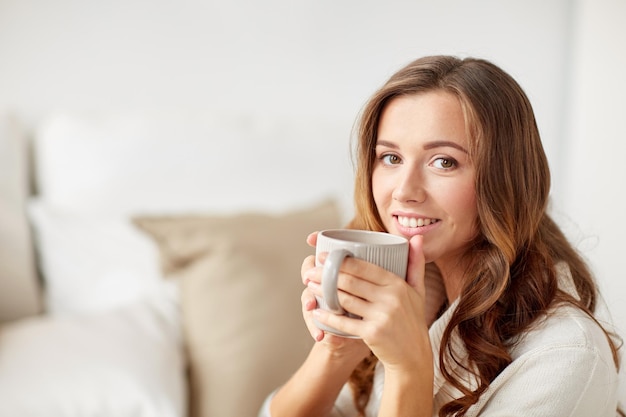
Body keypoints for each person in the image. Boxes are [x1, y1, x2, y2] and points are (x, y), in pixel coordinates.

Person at [259, 55, 623, 416]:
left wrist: (409, 367)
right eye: (390, 158)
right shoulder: (413, 295)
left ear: (505, 180)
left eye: (444, 162)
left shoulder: (565, 356)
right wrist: (336, 351)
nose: (404, 191)